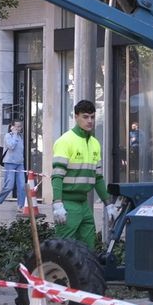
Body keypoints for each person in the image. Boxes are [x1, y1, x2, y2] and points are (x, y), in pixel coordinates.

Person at [51, 100, 110, 249]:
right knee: (64, 251)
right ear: (76, 117)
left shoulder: (95, 143)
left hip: (84, 204)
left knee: (88, 250)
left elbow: (98, 178)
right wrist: (57, 203)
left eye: (92, 117)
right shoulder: (65, 141)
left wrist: (108, 204)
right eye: (85, 117)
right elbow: (57, 176)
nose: (90, 121)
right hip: (67, 204)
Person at [0, 120, 25, 208]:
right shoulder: (8, 136)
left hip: (20, 164)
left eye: (20, 126)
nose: (19, 128)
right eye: (17, 126)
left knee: (22, 186)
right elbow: (11, 146)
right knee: (9, 186)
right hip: (10, 163)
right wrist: (14, 134)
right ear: (12, 127)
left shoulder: (21, 137)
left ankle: (20, 206)